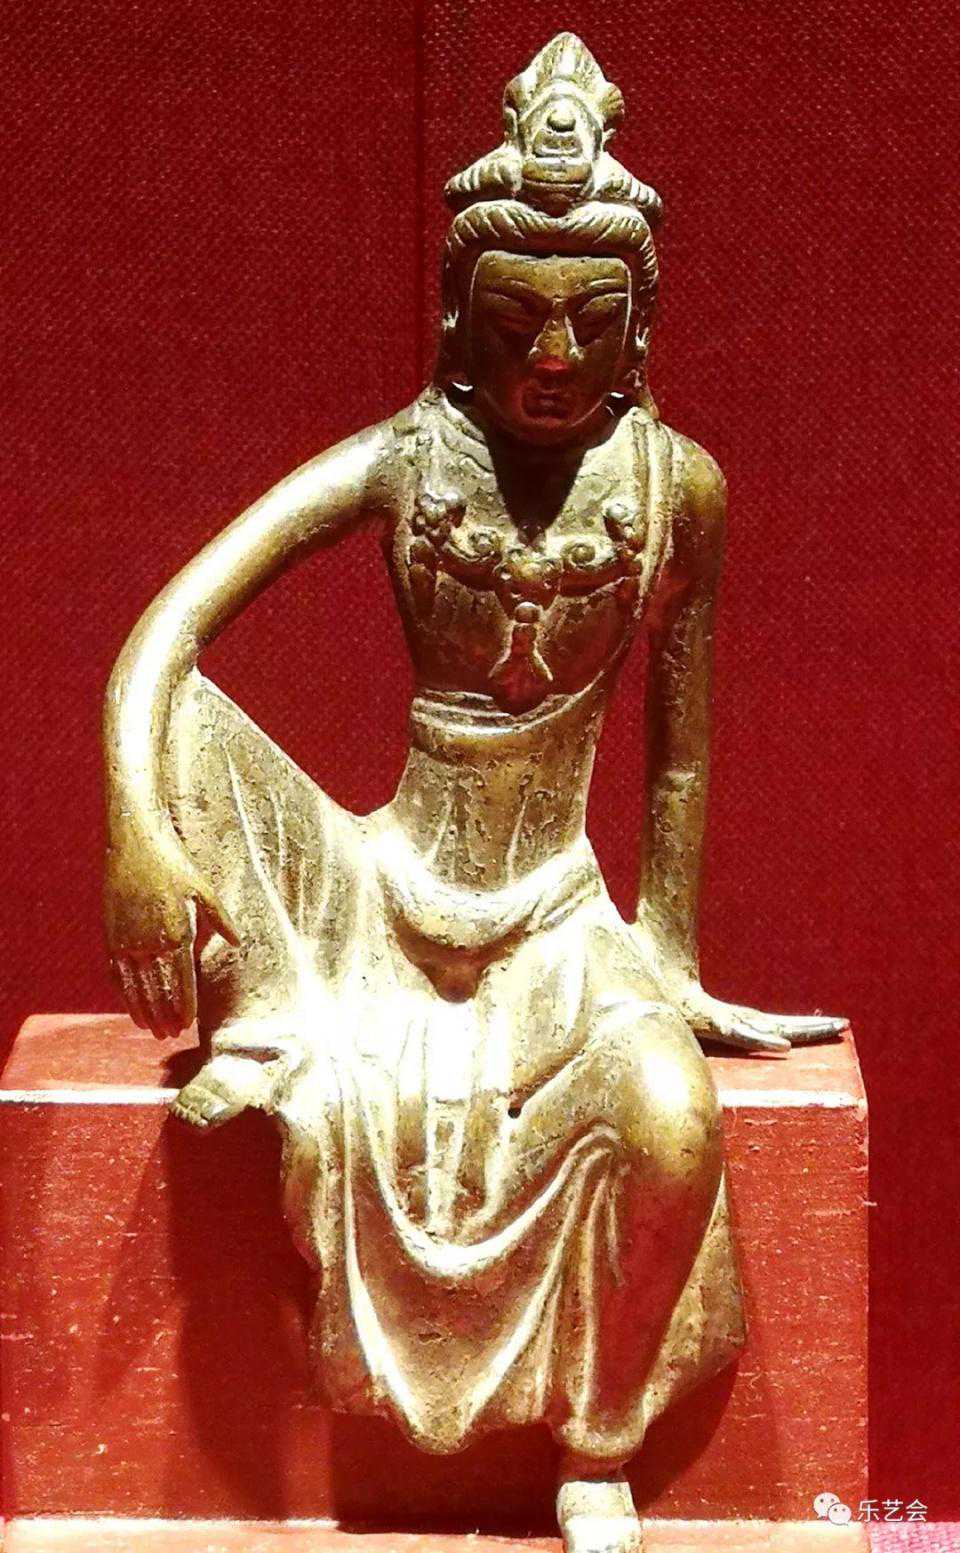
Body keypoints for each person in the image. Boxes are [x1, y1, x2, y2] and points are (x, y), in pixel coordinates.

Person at [103, 33, 843, 1553]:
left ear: (639, 329)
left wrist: (670, 957)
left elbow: (679, 753)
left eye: (591, 320)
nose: (553, 356)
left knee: (673, 1122)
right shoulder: (408, 459)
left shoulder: (677, 489)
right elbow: (167, 630)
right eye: (517, 318)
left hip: (556, 922)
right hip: (377, 900)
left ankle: (598, 1441)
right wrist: (136, 827)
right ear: (459, 316)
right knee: (182, 722)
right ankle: (278, 1013)